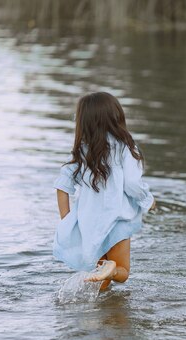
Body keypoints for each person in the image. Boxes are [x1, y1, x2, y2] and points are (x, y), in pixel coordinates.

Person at [53, 92, 155, 291]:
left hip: (89, 224)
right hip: (118, 221)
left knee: (100, 281)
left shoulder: (81, 151)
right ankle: (111, 275)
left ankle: (95, 319)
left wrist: (66, 221)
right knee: (121, 272)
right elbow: (132, 184)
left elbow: (62, 186)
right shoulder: (125, 147)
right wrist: (148, 200)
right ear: (115, 117)